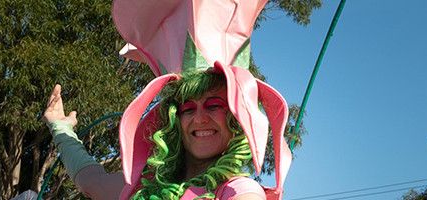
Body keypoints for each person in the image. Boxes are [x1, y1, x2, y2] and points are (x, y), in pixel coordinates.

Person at [40, 0, 293, 199]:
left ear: (236, 118)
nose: (199, 117)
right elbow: (91, 181)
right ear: (174, 118)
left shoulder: (239, 190)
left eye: (214, 105)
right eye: (187, 108)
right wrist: (60, 127)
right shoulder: (142, 187)